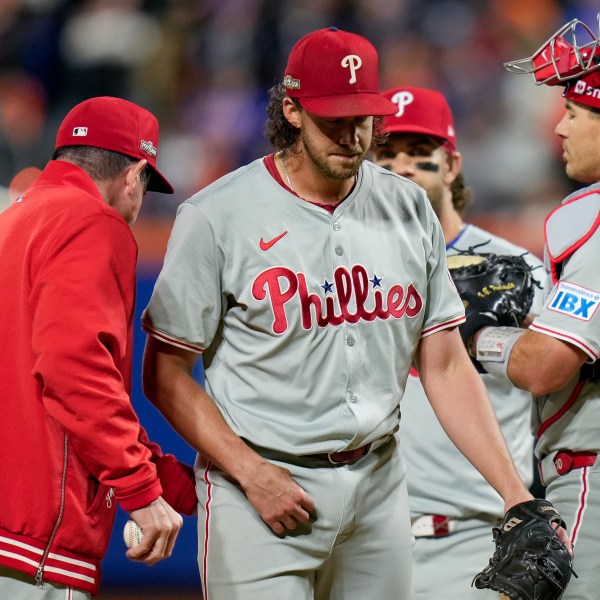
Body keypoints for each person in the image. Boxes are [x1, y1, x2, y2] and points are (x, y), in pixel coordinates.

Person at [141, 27, 555, 600]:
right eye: (332, 116)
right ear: (291, 109)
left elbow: (446, 365)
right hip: (261, 485)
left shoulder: (407, 206)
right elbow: (164, 374)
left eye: (362, 116)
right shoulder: (217, 216)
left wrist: (516, 495)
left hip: (379, 484)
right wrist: (249, 472)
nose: (351, 133)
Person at [0, 96, 197, 599]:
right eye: (147, 188)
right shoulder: (94, 222)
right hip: (33, 537)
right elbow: (75, 371)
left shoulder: (16, 220)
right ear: (133, 176)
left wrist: (178, 486)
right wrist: (140, 490)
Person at [372, 86, 545, 598]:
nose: (401, 166)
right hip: (361, 541)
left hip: (472, 542)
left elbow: (554, 375)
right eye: (386, 153)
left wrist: (488, 337)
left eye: (418, 153)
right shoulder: (343, 268)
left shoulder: (515, 271)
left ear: (451, 165)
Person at [462, 14, 600, 599]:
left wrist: (481, 338)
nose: (559, 128)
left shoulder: (588, 216)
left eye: (575, 113)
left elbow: (545, 364)